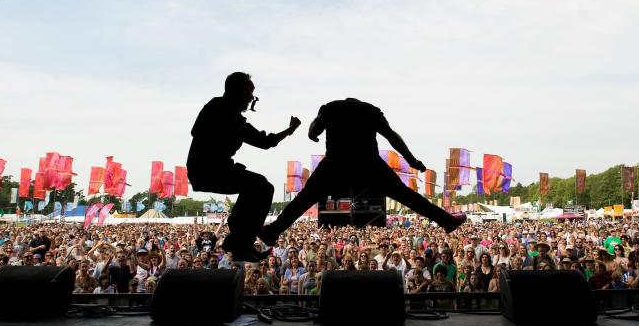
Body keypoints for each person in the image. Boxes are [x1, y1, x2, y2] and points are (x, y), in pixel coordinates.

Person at [260, 98, 466, 243]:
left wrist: (312, 133)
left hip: (336, 163)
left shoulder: (331, 107)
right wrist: (412, 160)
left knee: (303, 199)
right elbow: (392, 137)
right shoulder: (371, 111)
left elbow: (314, 129)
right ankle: (446, 221)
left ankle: (273, 231)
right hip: (369, 164)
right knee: (407, 196)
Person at [187, 72, 301, 261]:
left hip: (214, 168)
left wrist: (289, 131)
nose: (251, 98)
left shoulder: (234, 118)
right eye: (249, 92)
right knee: (261, 186)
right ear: (238, 90)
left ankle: (240, 241)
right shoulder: (217, 108)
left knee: (258, 187)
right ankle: (239, 239)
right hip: (206, 169)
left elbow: (265, 142)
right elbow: (199, 132)